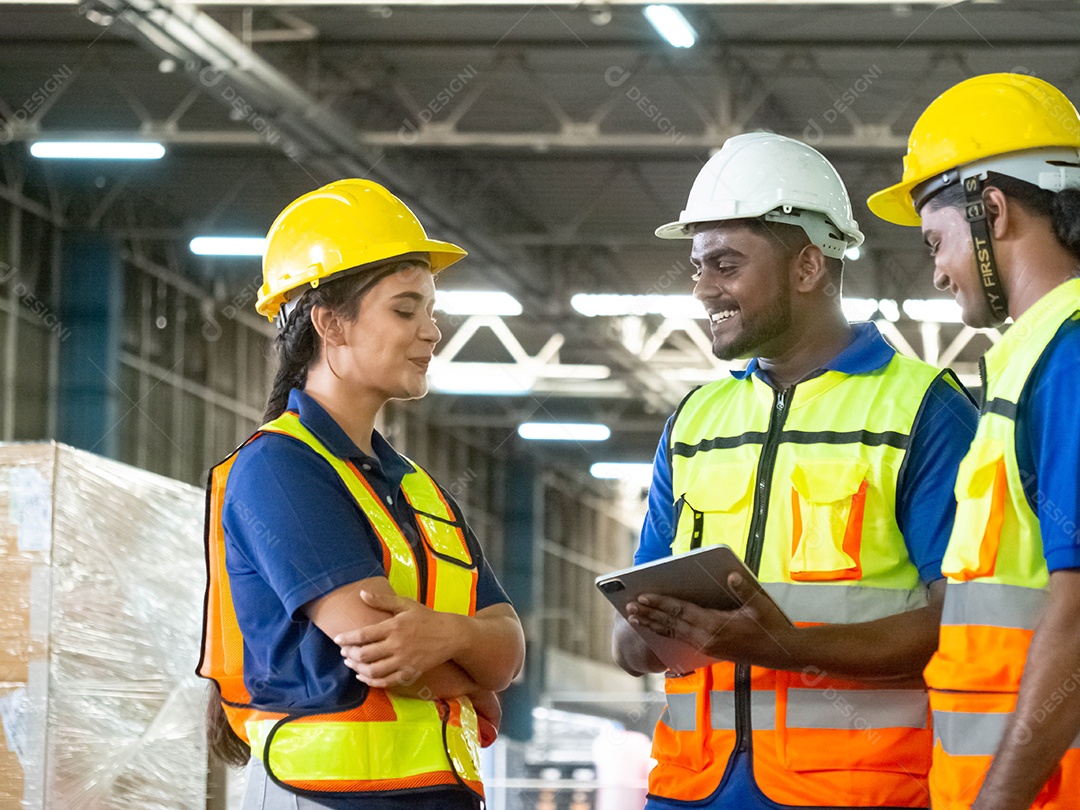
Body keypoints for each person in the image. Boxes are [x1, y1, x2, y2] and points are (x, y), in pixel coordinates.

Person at [612, 132, 979, 809]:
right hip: (690, 790)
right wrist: (643, 636)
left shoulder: (924, 409)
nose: (702, 289)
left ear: (808, 267)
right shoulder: (694, 421)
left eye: (724, 264)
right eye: (697, 266)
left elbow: (957, 623)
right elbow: (632, 633)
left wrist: (781, 645)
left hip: (858, 793)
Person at [196, 179, 526, 809]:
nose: (431, 332)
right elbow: (379, 652)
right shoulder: (279, 470)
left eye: (431, 310)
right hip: (323, 796)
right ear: (329, 323)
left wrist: (451, 640)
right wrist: (472, 673)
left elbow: (509, 648)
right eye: (405, 309)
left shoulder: (417, 488)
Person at [868, 73, 1080, 810]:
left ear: (990, 209)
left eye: (936, 240)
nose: (935, 271)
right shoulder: (1034, 360)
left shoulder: (1069, 357)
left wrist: (997, 800)